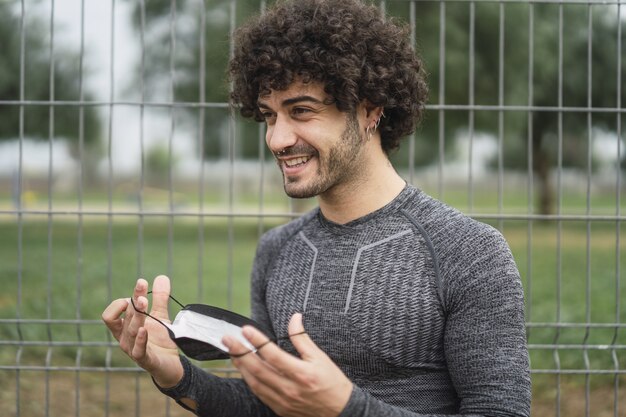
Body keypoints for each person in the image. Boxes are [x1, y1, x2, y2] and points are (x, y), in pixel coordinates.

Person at [102, 0, 531, 416]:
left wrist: (347, 409)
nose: (277, 139)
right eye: (269, 116)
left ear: (369, 110)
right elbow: (271, 404)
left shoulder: (469, 252)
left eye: (301, 111)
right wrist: (177, 375)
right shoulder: (277, 250)